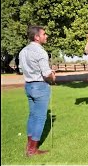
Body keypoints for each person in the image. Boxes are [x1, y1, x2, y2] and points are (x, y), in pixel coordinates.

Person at [19, 25, 56, 157]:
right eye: (44, 34)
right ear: (36, 37)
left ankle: (29, 145)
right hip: (40, 86)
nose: (46, 36)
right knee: (40, 118)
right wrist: (52, 75)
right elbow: (46, 73)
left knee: (32, 115)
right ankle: (32, 150)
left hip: (28, 86)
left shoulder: (23, 51)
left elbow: (21, 69)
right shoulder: (41, 52)